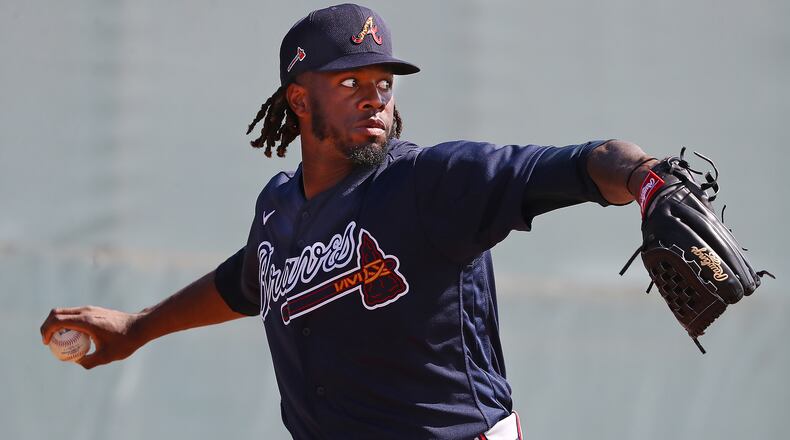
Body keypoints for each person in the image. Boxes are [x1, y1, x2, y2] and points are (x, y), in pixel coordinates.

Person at [40, 4, 659, 439]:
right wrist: (137, 327)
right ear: (299, 99)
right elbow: (247, 280)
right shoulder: (279, 209)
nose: (374, 97)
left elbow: (575, 165)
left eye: (384, 82)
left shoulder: (430, 182)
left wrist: (645, 180)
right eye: (350, 80)